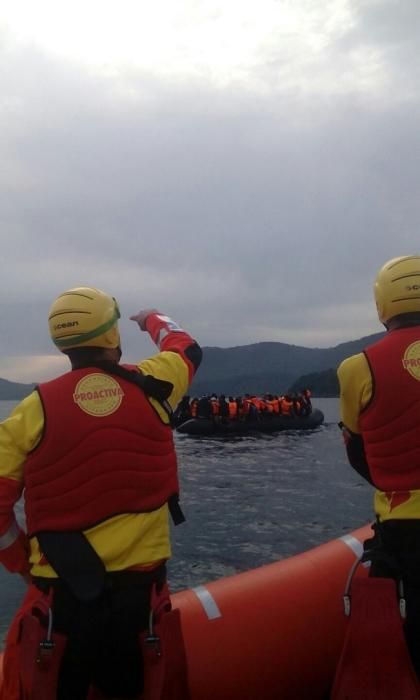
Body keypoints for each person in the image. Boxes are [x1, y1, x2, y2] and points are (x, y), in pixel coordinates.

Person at [0, 286, 202, 700]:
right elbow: (187, 348)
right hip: (140, 604)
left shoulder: (31, 410)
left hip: (61, 604)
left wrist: (20, 560)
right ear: (112, 335)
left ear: (63, 344)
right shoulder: (156, 382)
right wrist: (151, 318)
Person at [337, 255, 420, 678]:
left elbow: (355, 447)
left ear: (382, 303)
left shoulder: (356, 368)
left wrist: (390, 483)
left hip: (402, 524)